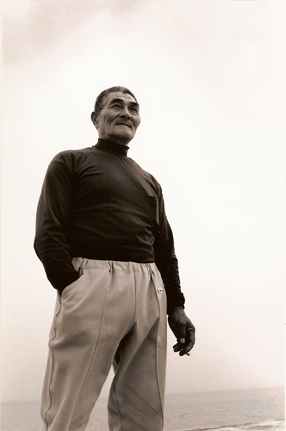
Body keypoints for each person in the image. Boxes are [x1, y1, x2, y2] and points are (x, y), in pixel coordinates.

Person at [34, 86, 195, 431]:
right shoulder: (70, 161)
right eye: (116, 105)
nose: (126, 112)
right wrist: (70, 285)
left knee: (144, 408)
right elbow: (49, 231)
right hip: (92, 282)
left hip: (149, 287)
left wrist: (176, 306)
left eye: (133, 108)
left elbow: (165, 247)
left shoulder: (149, 180)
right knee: (69, 402)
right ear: (96, 118)